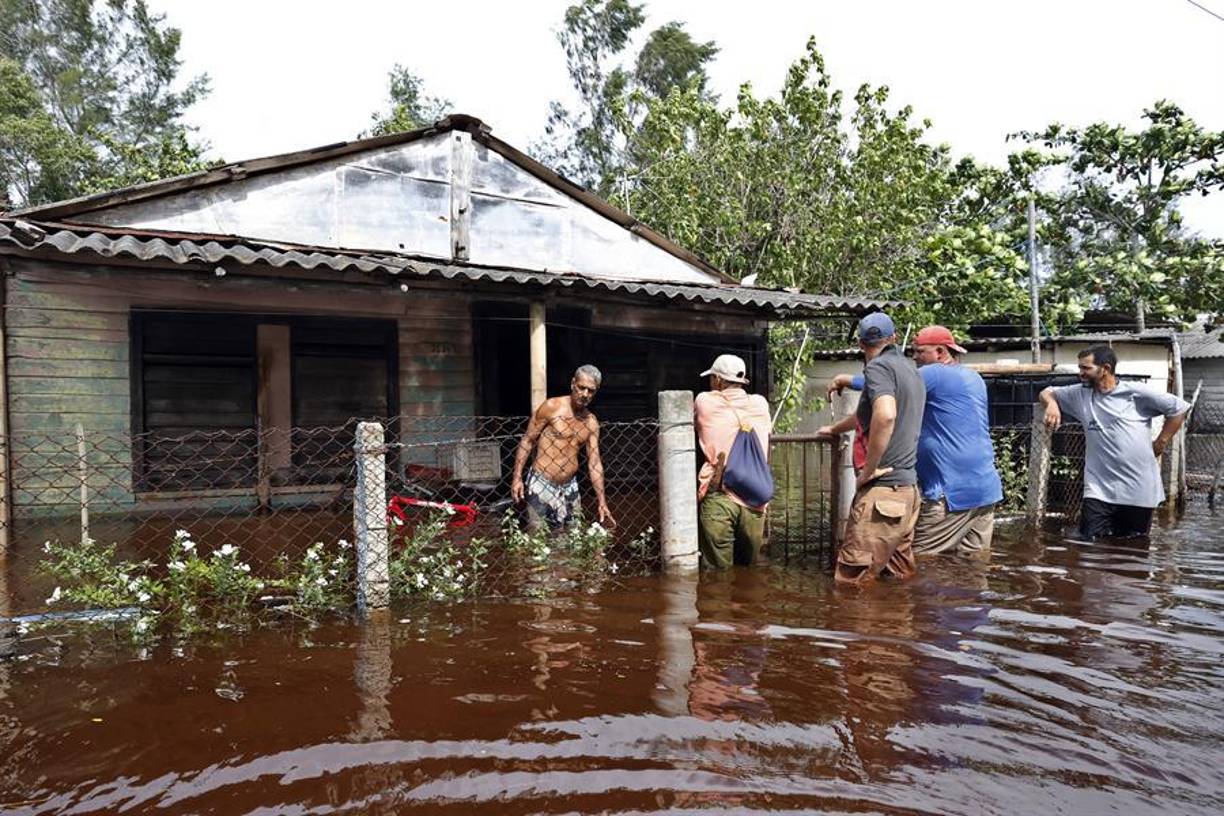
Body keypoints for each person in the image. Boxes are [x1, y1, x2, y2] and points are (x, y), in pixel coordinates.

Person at [828, 325, 1002, 556]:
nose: (915, 357)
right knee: (971, 568)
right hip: (986, 490)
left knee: (918, 563)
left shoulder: (934, 374)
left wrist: (845, 379)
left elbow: (886, 385)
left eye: (920, 352)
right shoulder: (973, 377)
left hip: (950, 493)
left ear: (940, 352)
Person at [817, 312, 925, 584]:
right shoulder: (911, 370)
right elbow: (868, 415)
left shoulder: (877, 369)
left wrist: (870, 468)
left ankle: (861, 627)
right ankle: (898, 626)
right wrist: (834, 429)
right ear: (894, 338)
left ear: (861, 343)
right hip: (908, 492)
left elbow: (885, 415)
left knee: (851, 583)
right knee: (897, 579)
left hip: (883, 492)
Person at [1039, 345, 1189, 539]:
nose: (1080, 373)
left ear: (1106, 369)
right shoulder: (1079, 394)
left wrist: (1161, 442)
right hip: (1098, 488)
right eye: (1080, 368)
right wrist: (1051, 404)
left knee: (1134, 547)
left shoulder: (1135, 393)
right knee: (1088, 546)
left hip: (1137, 487)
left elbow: (1178, 409)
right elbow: (1046, 391)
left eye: (1086, 368)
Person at [510, 364, 614, 531]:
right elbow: (527, 441)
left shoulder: (591, 422)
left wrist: (602, 501)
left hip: (570, 485)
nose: (585, 394)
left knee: (572, 537)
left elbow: (594, 463)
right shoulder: (552, 407)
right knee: (539, 536)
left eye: (591, 390)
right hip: (542, 482)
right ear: (573, 383)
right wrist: (517, 477)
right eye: (581, 388)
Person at [693, 353, 772, 569]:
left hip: (721, 492)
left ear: (717, 380)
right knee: (748, 572)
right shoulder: (760, 404)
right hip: (756, 494)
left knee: (717, 573)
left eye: (712, 379)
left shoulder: (705, 402)